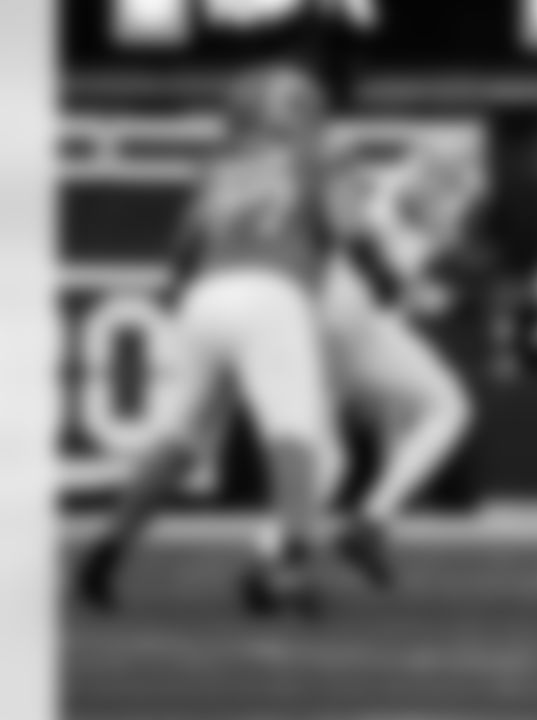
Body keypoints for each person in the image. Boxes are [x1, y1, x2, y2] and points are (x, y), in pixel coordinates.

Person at [74, 64, 343, 617]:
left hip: (207, 296)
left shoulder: (219, 167)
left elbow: (180, 253)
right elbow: (334, 231)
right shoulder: (310, 160)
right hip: (272, 293)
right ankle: (289, 566)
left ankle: (106, 550)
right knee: (295, 432)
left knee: (179, 441)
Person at [306, 144, 477, 589]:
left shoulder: (406, 198)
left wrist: (416, 293)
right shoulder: (404, 188)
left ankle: (271, 556)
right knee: (448, 406)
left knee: (329, 460)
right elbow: (395, 221)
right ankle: (371, 523)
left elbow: (401, 263)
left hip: (322, 314)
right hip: (352, 310)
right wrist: (413, 292)